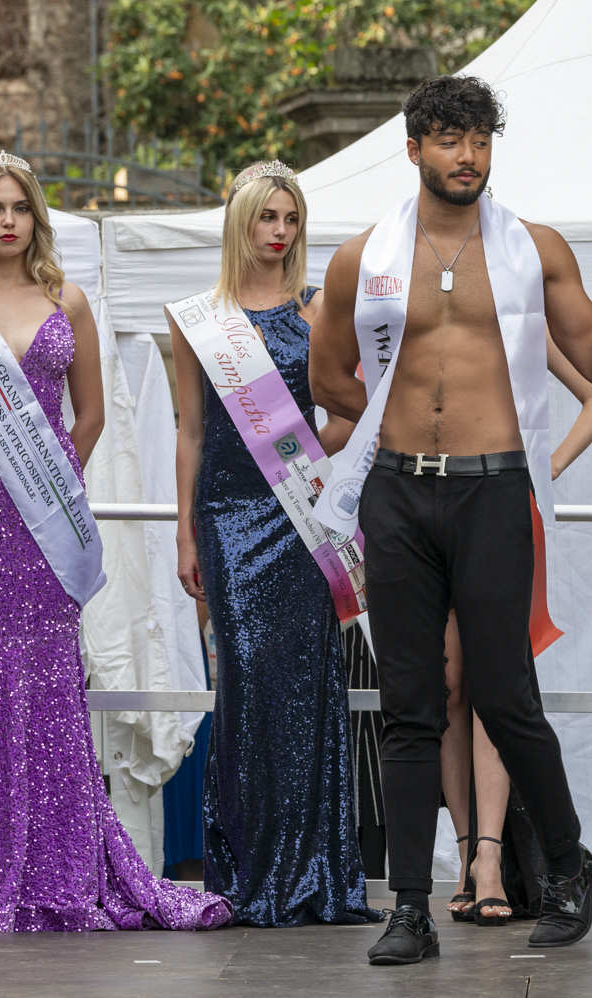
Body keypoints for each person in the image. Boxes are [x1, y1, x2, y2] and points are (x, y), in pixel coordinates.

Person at [309, 74, 592, 964]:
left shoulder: (533, 248)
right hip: (397, 492)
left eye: (480, 139)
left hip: (495, 489)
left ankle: (569, 864)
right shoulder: (361, 257)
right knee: (410, 707)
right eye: (449, 139)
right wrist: (396, 427)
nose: (468, 156)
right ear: (414, 149)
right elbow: (328, 378)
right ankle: (411, 908)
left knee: (506, 696)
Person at [0, 152, 231, 931]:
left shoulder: (67, 300)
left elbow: (92, 413)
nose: (8, 221)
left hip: (46, 519)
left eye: (20, 207)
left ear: (36, 218)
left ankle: (59, 865)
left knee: (50, 679)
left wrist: (53, 490)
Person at [166, 160, 377, 927]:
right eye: (267, 217)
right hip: (226, 518)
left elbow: (355, 409)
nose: (280, 231)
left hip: (300, 516)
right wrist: (186, 530)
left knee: (307, 688)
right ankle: (251, 870)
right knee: (248, 683)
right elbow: (191, 431)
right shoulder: (198, 319)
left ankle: (316, 871)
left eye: (291, 219)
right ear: (241, 223)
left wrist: (307, 458)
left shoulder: (317, 310)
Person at [441, 336, 592, 927]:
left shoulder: (520, 324)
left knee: (494, 685)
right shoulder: (411, 309)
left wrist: (547, 467)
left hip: (498, 507)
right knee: (447, 688)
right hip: (423, 507)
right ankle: (466, 852)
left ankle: (489, 858)